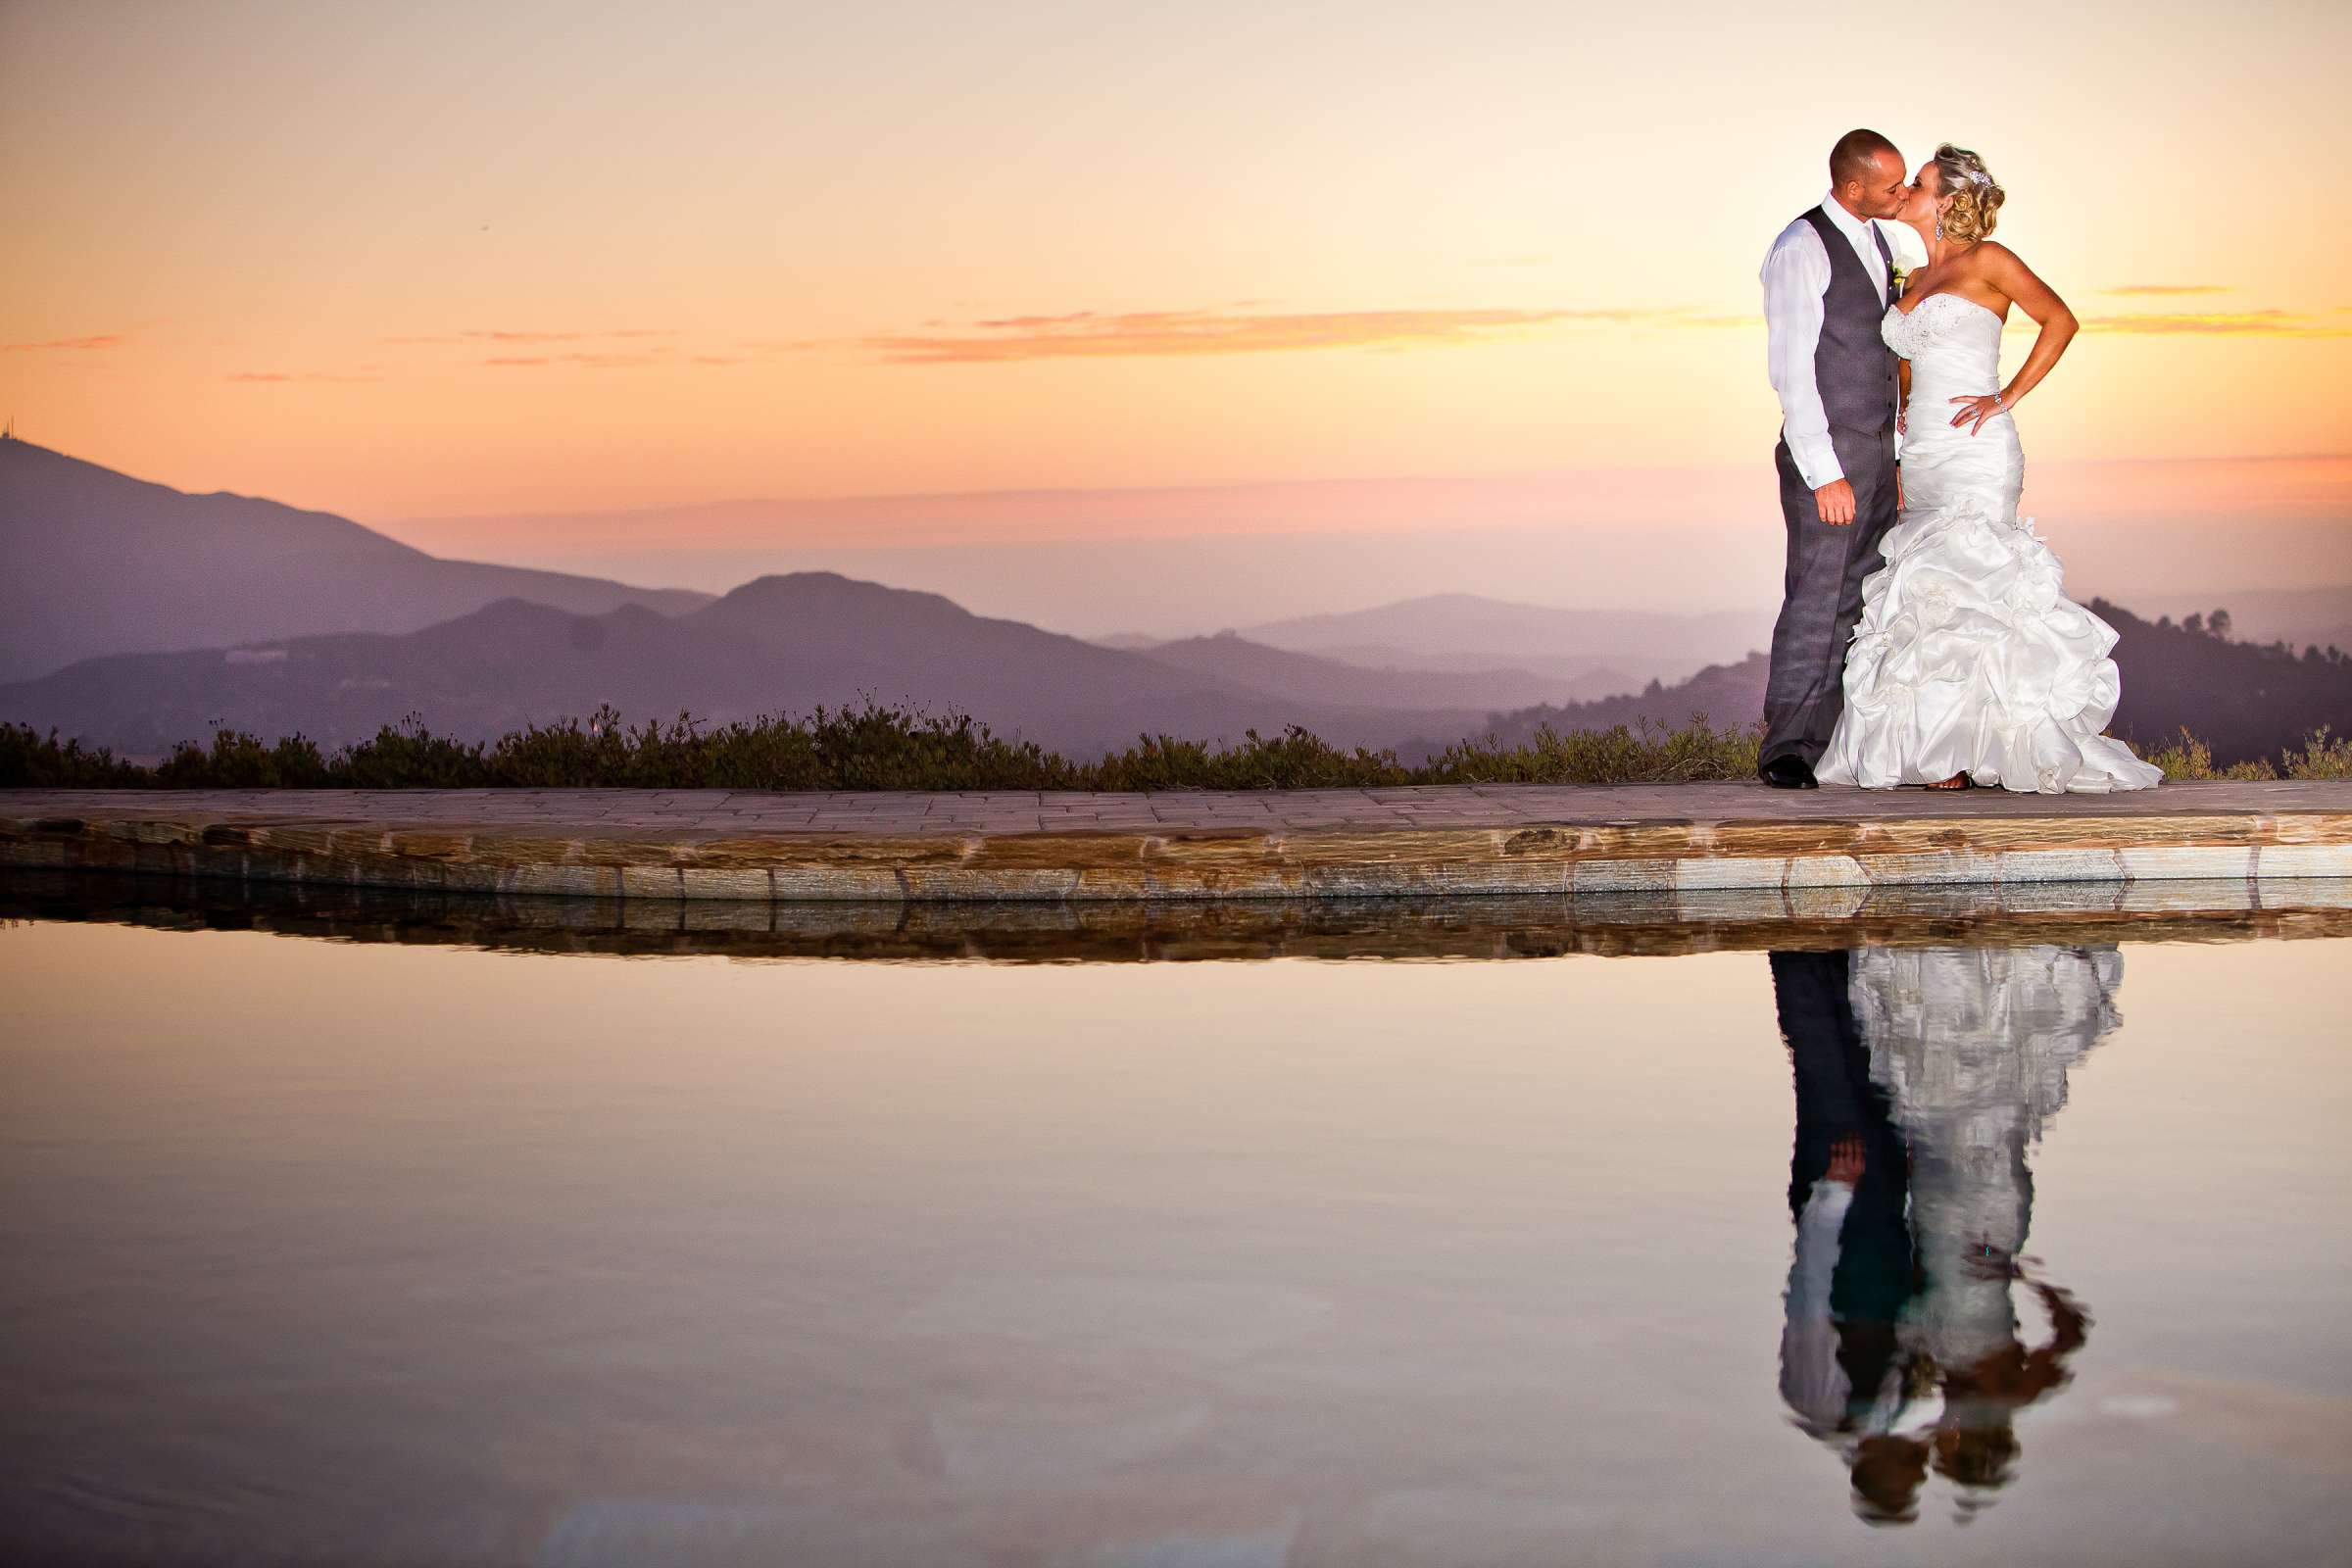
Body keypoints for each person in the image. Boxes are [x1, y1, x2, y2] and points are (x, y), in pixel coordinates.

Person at [1812, 145, 2163, 792]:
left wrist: (2007, 396)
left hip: (1977, 449)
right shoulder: (1911, 278)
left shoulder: (1989, 262)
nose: (1903, 191)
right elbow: (1909, 366)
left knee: (1979, 585)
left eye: (1915, 184)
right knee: (1931, 594)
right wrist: (1901, 437)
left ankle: (1981, 750)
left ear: (1946, 201)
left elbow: (2061, 319)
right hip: (1922, 456)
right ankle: (1948, 747)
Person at [1756, 129, 1912, 790]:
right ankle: (1787, 748)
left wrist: (1894, 458)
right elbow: (1792, 370)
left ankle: (1835, 743)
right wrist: (1825, 473)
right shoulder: (1801, 248)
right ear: (1853, 186)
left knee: (1859, 599)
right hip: (1832, 458)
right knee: (1817, 598)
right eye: (1891, 186)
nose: (1901, 196)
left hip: (1877, 454)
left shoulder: (1879, 242)